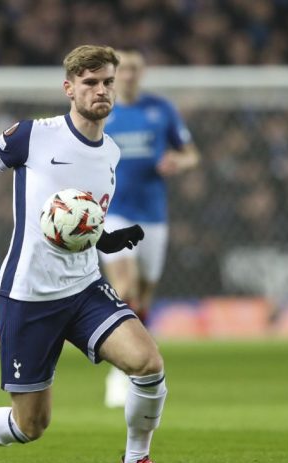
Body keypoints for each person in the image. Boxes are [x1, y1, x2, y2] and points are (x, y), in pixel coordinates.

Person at [0, 45, 187, 463]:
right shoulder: (35, 135)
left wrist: (105, 239)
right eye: (90, 83)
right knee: (30, 425)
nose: (100, 90)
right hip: (29, 294)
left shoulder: (111, 153)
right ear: (70, 89)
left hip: (84, 288)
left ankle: (136, 462)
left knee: (148, 364)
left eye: (107, 82)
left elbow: (75, 218)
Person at [100, 50, 200, 408]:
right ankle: (117, 371)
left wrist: (179, 160)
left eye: (135, 69)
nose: (129, 75)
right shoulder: (103, 110)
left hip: (153, 215)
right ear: (114, 73)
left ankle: (136, 361)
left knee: (143, 295)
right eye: (123, 69)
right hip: (113, 213)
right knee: (124, 287)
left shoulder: (161, 110)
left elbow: (191, 153)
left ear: (142, 74)